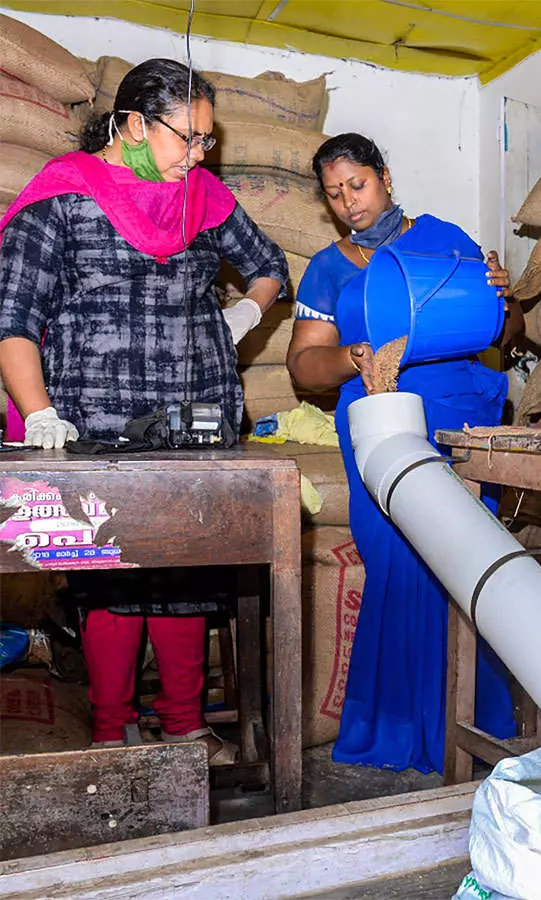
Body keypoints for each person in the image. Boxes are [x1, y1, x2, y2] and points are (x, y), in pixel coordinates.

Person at [0, 59, 287, 760]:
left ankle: (184, 726)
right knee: (108, 576)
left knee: (187, 573)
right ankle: (110, 734)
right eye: (186, 138)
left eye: (205, 141)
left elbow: (269, 260)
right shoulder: (62, 199)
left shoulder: (203, 196)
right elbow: (11, 319)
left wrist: (247, 310)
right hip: (94, 426)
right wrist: (39, 414)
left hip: (196, 417)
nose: (196, 155)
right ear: (132, 122)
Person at [287, 133, 517, 772]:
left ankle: (478, 723)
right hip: (383, 425)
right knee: (398, 565)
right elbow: (304, 367)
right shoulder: (330, 269)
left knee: (466, 567)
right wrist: (355, 357)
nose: (348, 204)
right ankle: (396, 729)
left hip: (461, 423)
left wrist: (505, 294)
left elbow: (506, 331)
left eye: (356, 186)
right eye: (334, 194)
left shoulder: (447, 240)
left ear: (384, 176)